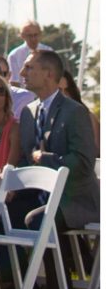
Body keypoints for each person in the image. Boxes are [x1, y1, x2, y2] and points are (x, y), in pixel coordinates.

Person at [15, 47, 99, 229]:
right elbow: (26, 160)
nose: (22, 73)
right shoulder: (28, 113)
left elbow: (83, 162)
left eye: (29, 67)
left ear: (48, 73)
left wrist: (45, 159)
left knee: (36, 220)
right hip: (38, 194)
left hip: (73, 201)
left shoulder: (74, 111)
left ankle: (65, 258)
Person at [7, 20, 42, 86]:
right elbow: (14, 83)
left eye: (35, 35)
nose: (33, 39)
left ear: (40, 34)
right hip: (25, 95)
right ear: (22, 36)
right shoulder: (14, 55)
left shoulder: (49, 51)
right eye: (30, 36)